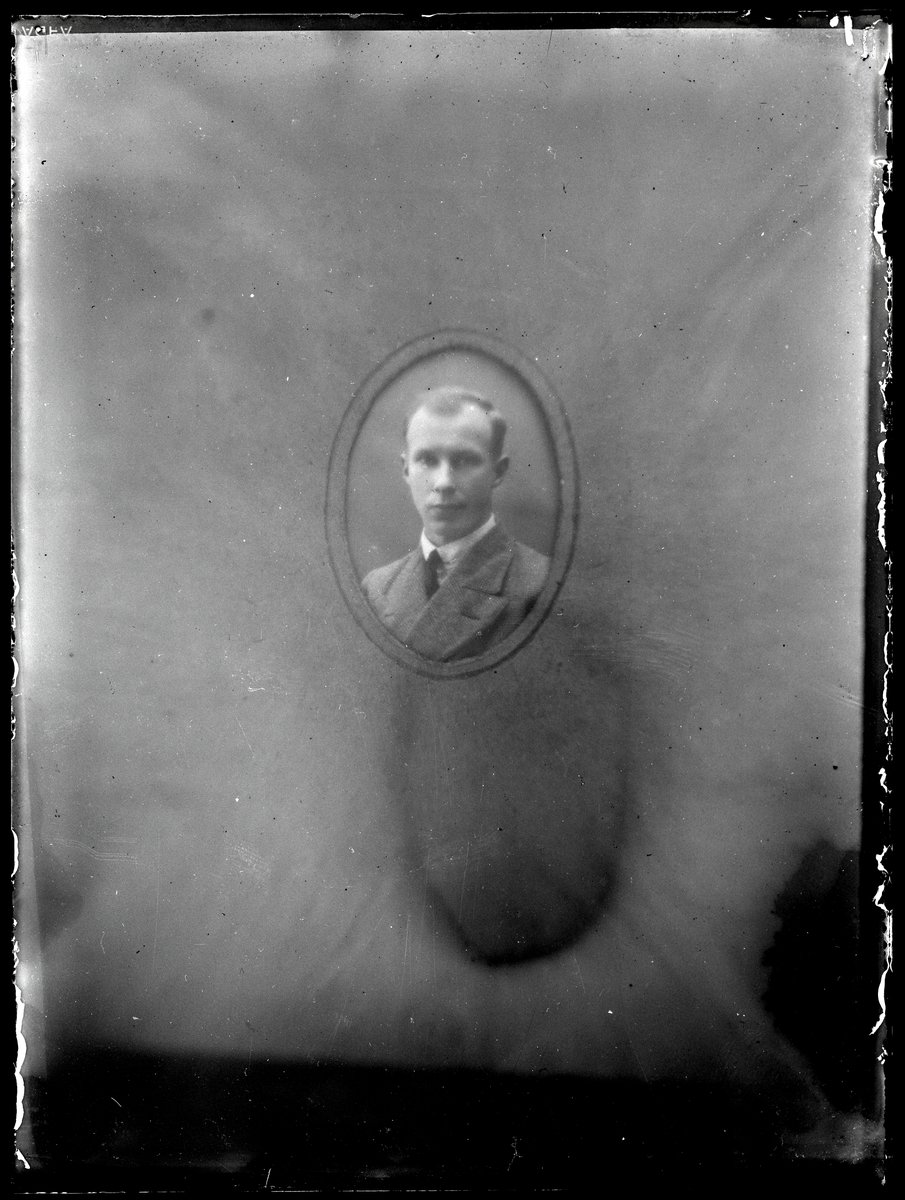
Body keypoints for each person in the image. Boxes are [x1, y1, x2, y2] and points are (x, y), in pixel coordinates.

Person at [361, 387, 550, 661]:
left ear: (497, 472)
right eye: (427, 460)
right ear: (406, 470)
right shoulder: (377, 588)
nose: (444, 483)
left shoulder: (541, 583)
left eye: (464, 461)